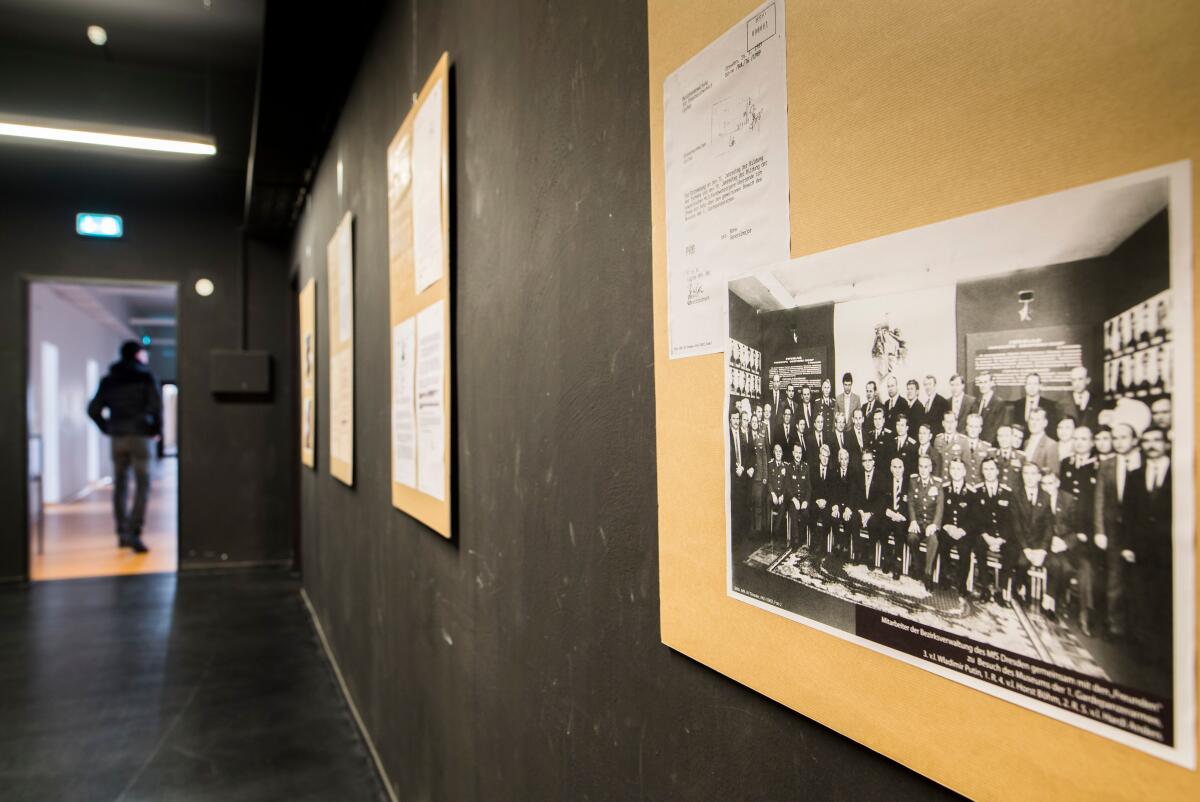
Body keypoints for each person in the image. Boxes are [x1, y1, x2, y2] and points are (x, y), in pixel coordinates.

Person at [87, 340, 163, 553]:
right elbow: (156, 408)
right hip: (140, 435)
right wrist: (156, 431)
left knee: (120, 485)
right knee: (143, 484)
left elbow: (93, 409)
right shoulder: (145, 377)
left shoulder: (109, 380)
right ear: (138, 355)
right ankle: (133, 532)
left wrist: (107, 427)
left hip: (118, 437)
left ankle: (121, 532)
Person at [1122, 427, 1172, 670]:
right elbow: (1128, 514)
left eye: (1157, 440)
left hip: (1169, 551)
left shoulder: (1179, 473)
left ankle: (1164, 652)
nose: (1152, 445)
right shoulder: (1135, 475)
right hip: (1140, 549)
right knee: (1141, 596)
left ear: (1166, 444)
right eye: (1147, 441)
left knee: (1164, 598)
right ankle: (1143, 649)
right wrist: (1128, 545)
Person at [974, 457, 1015, 603]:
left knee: (1011, 550)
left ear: (997, 471)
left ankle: (1001, 590)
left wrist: (1001, 539)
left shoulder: (1007, 492)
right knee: (978, 545)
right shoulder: (977, 491)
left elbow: (1010, 520)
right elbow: (977, 519)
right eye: (986, 469)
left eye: (992, 469)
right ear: (982, 472)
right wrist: (987, 537)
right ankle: (984, 587)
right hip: (985, 535)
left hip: (1002, 536)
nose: (989, 472)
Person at [906, 455, 944, 585]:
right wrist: (913, 521)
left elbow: (940, 507)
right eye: (920, 466)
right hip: (918, 523)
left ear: (931, 468)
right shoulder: (913, 481)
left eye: (926, 467)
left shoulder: (937, 484)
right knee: (911, 538)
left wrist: (934, 525)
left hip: (930, 524)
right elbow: (910, 502)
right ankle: (917, 566)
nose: (923, 470)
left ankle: (927, 573)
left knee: (933, 540)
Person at [1022, 408, 1059, 477]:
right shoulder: (1026, 443)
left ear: (1045, 423)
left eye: (1037, 420)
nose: (1033, 423)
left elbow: (1053, 475)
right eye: (1031, 419)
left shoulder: (1051, 445)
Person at [1062, 366, 1100, 430]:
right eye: (1074, 380)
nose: (1077, 384)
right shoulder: (1062, 403)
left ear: (1088, 380)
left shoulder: (1098, 402)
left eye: (1080, 379)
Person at [973, 372, 1006, 444]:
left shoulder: (998, 403)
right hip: (976, 443)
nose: (982, 385)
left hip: (990, 443)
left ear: (991, 383)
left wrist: (986, 444)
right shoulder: (976, 401)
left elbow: (996, 427)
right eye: (980, 382)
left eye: (985, 382)